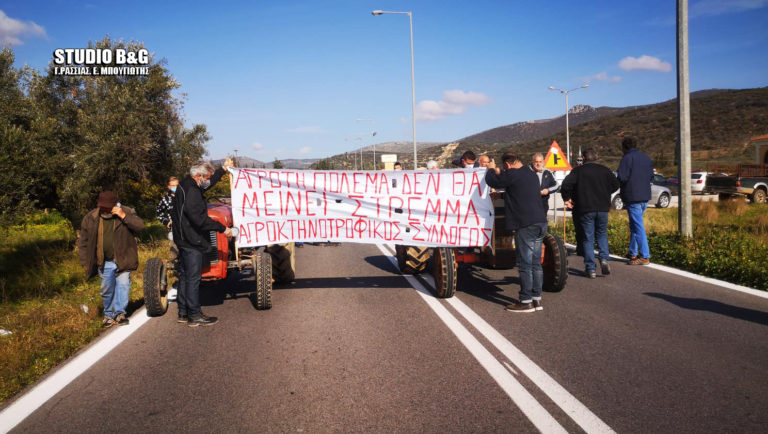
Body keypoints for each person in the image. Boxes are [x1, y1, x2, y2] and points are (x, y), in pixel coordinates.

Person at [172, 159, 234, 326]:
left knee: (185, 276)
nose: (207, 180)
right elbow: (200, 220)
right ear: (199, 175)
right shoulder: (192, 192)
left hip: (183, 237)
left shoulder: (188, 183)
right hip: (191, 239)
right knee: (193, 278)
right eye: (206, 177)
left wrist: (223, 170)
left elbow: (209, 184)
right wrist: (222, 229)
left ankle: (183, 312)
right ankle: (195, 315)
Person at [485, 152, 548, 313]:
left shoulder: (512, 174)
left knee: (524, 264)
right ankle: (536, 299)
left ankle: (525, 301)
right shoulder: (531, 174)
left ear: (507, 165)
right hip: (540, 222)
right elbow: (520, 193)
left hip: (526, 225)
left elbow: (492, 181)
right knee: (535, 264)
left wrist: (491, 169)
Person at [79, 191, 145, 327]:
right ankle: (108, 315)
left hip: (124, 258)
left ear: (115, 205)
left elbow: (140, 226)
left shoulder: (126, 211)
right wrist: (85, 261)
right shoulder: (91, 217)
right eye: (103, 207)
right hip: (104, 261)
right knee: (106, 289)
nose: (105, 210)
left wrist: (123, 216)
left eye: (108, 207)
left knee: (123, 285)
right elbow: (83, 242)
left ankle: (120, 314)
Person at [560, 148, 619, 278]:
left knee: (588, 238)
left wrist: (567, 198)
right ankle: (604, 259)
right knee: (602, 235)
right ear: (597, 158)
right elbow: (616, 185)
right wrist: (604, 192)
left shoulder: (578, 171)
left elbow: (565, 185)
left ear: (584, 159)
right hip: (603, 208)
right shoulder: (605, 170)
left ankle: (590, 268)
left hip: (585, 209)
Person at [617, 137, 654, 265]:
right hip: (645, 196)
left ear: (624, 148)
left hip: (633, 197)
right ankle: (632, 252)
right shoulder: (646, 158)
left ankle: (644, 256)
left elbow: (622, 177)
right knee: (634, 225)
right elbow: (651, 176)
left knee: (638, 226)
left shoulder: (627, 158)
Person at [156, 176, 179, 261]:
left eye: (176, 185)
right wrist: (166, 222)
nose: (175, 187)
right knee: (175, 254)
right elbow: (159, 213)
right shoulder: (165, 199)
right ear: (168, 186)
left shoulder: (185, 196)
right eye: (172, 186)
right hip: (175, 230)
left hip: (188, 229)